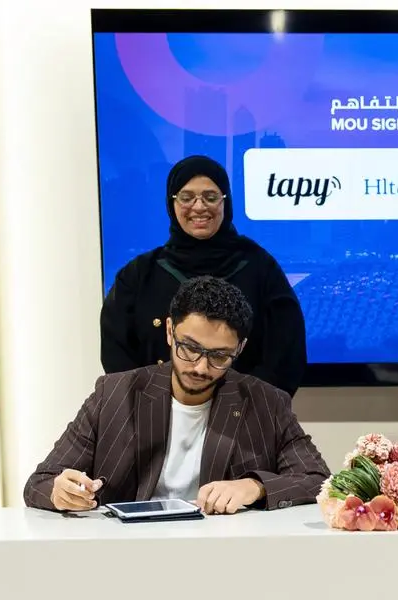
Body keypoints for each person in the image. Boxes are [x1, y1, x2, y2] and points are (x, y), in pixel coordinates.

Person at [26, 276, 329, 514]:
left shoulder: (266, 402)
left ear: (240, 348)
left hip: (221, 553)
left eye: (219, 356)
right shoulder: (114, 395)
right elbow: (39, 482)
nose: (200, 367)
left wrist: (255, 487)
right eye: (190, 348)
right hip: (128, 552)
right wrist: (59, 492)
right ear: (170, 331)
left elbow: (318, 481)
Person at [100, 155, 307, 396]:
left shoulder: (260, 268)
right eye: (186, 197)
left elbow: (286, 352)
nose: (199, 207)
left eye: (210, 197)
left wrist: (247, 406)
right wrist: (155, 406)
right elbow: (117, 354)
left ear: (225, 202)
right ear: (172, 203)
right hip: (155, 411)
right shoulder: (139, 274)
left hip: (245, 412)